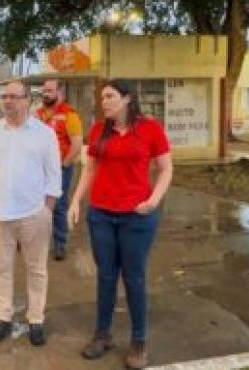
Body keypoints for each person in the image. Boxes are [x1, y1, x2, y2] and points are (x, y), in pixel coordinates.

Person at [67, 79, 172, 369]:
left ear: (127, 99)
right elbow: (89, 169)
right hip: (101, 214)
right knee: (106, 276)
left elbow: (166, 169)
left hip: (137, 216)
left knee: (134, 277)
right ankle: (103, 335)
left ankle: (139, 341)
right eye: (102, 97)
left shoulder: (150, 128)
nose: (104, 102)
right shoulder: (98, 130)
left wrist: (154, 199)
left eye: (110, 96)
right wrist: (75, 201)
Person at [0, 81, 61, 346]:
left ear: (27, 101)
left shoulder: (44, 134)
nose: (8, 101)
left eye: (14, 97)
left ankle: (36, 319)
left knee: (36, 269)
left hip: (34, 212)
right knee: (1, 268)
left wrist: (48, 209)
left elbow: (54, 174)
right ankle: (3, 317)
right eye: (5, 97)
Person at [36, 79, 82, 260]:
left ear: (59, 93)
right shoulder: (37, 114)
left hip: (60, 168)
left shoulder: (69, 114)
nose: (46, 94)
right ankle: (38, 242)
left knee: (59, 206)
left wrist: (64, 164)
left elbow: (77, 142)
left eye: (50, 90)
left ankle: (60, 244)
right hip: (39, 169)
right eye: (44, 91)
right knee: (38, 205)